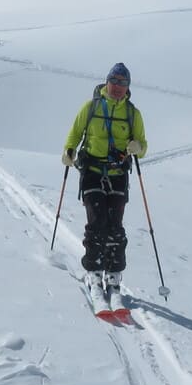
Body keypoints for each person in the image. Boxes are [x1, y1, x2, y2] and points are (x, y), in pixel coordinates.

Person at [63, 62, 147, 309]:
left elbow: (143, 144)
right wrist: (69, 152)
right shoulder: (91, 108)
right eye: (115, 81)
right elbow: (75, 134)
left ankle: (113, 276)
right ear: (107, 82)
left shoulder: (133, 114)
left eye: (123, 83)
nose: (118, 87)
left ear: (128, 87)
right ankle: (94, 272)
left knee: (115, 226)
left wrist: (137, 148)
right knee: (96, 221)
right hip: (91, 171)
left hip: (118, 173)